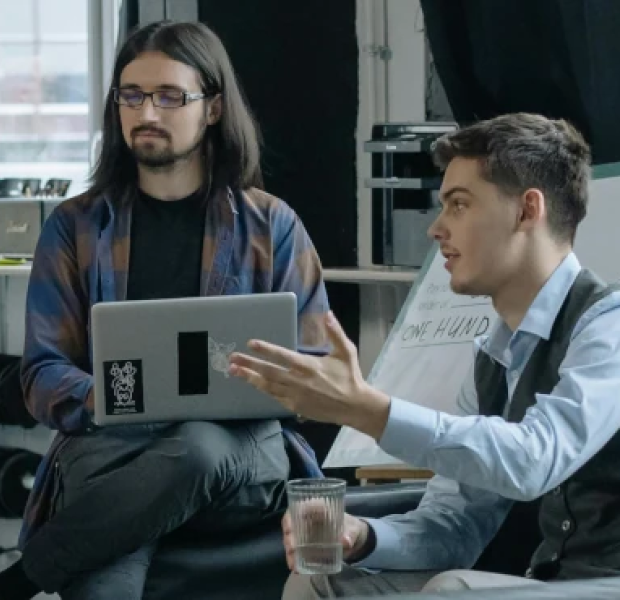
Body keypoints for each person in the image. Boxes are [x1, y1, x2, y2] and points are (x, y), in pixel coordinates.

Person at [0, 20, 329, 600]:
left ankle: (20, 581)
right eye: (131, 95)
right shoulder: (75, 227)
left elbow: (319, 371)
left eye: (169, 96)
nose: (146, 112)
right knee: (113, 557)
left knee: (200, 446)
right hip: (116, 448)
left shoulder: (272, 226)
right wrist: (113, 399)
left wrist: (264, 384)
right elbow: (41, 375)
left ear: (212, 108)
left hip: (241, 453)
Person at [229, 113, 620, 597]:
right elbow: (454, 527)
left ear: (526, 211)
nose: (436, 229)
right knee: (318, 580)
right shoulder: (494, 360)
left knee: (451, 589)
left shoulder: (609, 326)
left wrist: (367, 409)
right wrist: (362, 536)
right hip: (549, 585)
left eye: (459, 205)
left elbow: (533, 459)